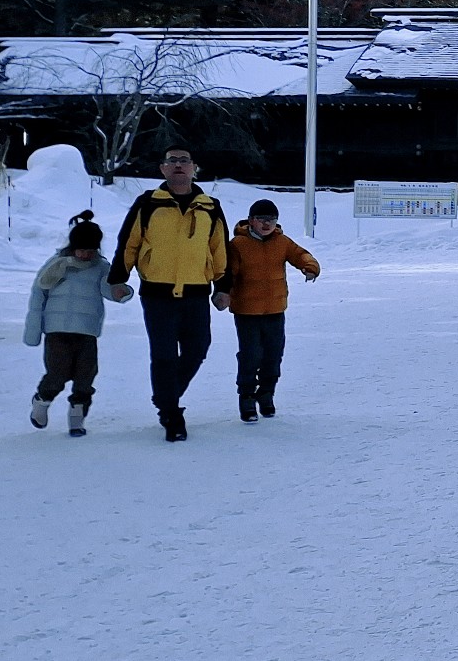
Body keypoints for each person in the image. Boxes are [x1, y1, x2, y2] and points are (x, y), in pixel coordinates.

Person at [109, 145, 230, 442]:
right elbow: (130, 242)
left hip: (196, 293)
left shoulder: (209, 206)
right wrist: (118, 277)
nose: (178, 165)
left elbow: (220, 249)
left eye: (184, 161)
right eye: (172, 161)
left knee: (197, 349)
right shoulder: (148, 203)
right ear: (162, 168)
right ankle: (171, 413)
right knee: (163, 355)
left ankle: (166, 397)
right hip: (157, 294)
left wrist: (223, 287)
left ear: (194, 168)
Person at [24, 212, 130, 436]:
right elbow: (38, 295)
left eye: (90, 251)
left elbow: (108, 288)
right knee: (57, 373)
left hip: (86, 332)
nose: (85, 255)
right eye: (81, 249)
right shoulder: (56, 265)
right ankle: (41, 401)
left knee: (86, 376)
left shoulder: (101, 267)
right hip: (57, 331)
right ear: (72, 246)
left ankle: (76, 418)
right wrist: (34, 331)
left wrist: (120, 292)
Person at [220, 198, 321, 422]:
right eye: (262, 219)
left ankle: (266, 394)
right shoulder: (238, 244)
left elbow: (301, 254)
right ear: (251, 221)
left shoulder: (281, 242)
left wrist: (310, 267)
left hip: (275, 309)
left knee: (273, 355)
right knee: (250, 355)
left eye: (272, 220)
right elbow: (228, 273)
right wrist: (224, 292)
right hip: (247, 311)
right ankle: (246, 397)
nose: (267, 224)